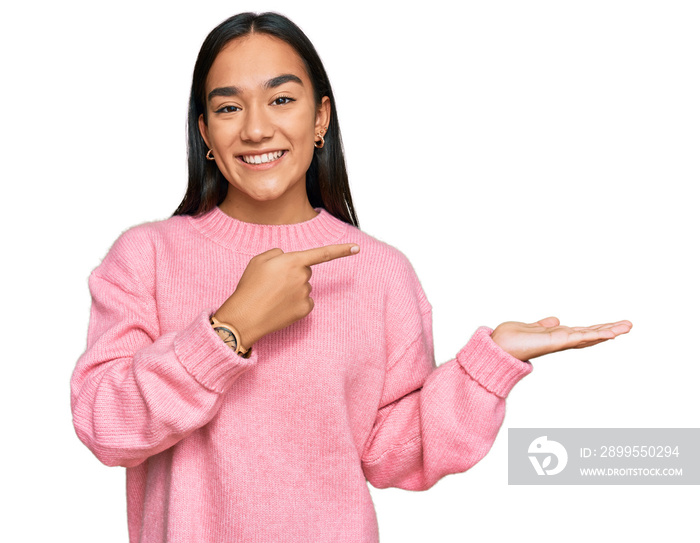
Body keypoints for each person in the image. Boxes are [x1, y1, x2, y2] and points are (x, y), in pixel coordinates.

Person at [70, 12, 632, 543]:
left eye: (282, 99)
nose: (257, 128)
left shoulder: (381, 271)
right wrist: (231, 327)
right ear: (206, 133)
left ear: (320, 118)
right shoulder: (145, 256)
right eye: (228, 108)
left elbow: (391, 451)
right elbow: (104, 425)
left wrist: (488, 366)